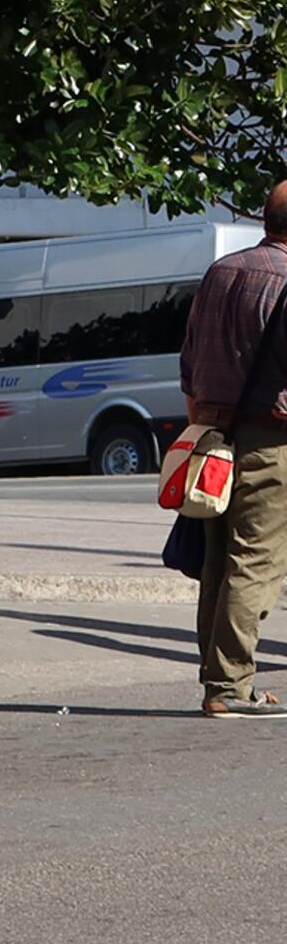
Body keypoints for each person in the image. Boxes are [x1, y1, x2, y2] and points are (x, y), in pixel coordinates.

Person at [182, 182, 287, 718]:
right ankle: (228, 686)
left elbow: (189, 356)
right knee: (256, 561)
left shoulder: (221, 271)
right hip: (271, 439)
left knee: (218, 562)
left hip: (212, 432)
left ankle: (217, 678)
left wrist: (201, 419)